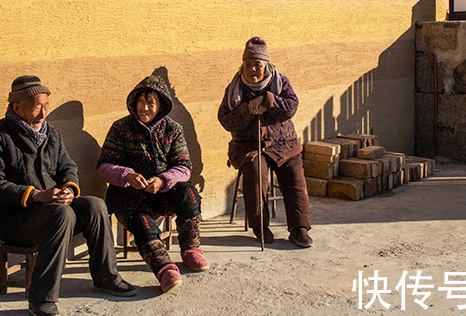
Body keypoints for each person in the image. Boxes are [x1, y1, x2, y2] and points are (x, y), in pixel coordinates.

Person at [0, 76, 135, 316]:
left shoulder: (52, 134)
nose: (43, 114)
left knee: (95, 205)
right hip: (16, 220)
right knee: (61, 215)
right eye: (37, 106)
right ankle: (42, 299)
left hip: (54, 211)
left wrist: (69, 190)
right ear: (17, 107)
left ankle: (106, 277)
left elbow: (67, 167)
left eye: (46, 106)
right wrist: (38, 195)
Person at [97, 75, 209, 293]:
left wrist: (163, 179)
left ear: (161, 106)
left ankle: (190, 249)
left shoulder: (173, 130)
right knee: (141, 222)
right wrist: (127, 175)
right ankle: (164, 268)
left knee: (189, 193)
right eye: (141, 101)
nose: (145, 107)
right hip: (128, 196)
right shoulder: (120, 128)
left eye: (151, 102)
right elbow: (104, 166)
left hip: (162, 192)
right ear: (133, 103)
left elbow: (184, 167)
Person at [218, 37, 313, 247]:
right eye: (248, 64)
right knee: (255, 172)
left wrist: (271, 100)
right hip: (249, 146)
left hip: (283, 144)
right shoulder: (234, 88)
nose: (253, 69)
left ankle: (299, 229)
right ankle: (260, 226)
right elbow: (225, 120)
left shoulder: (280, 82)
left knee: (294, 173)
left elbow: (291, 108)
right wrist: (247, 109)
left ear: (266, 65)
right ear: (242, 66)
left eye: (257, 64)